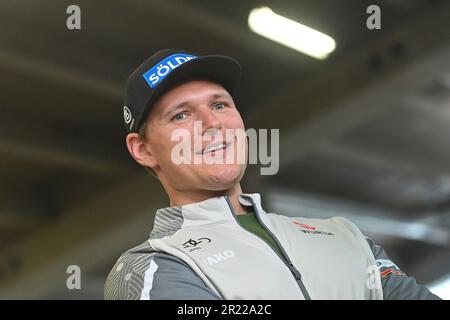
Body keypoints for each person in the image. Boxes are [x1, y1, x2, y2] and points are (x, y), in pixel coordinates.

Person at [104, 49, 440, 300]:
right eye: (181, 116)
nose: (212, 123)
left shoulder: (347, 238)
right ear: (143, 149)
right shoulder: (152, 268)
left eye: (220, 105)